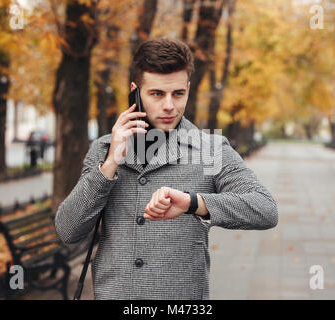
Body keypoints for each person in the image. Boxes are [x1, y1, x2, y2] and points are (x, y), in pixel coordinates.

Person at [55, 38, 278, 300]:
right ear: (135, 92)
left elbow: (265, 209)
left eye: (178, 94)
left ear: (188, 89)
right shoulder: (104, 150)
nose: (170, 106)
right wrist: (110, 165)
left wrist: (194, 203)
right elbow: (68, 230)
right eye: (157, 94)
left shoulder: (210, 149)